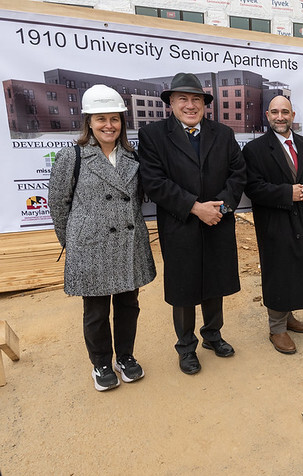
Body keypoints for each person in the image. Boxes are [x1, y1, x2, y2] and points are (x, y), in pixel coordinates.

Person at [49, 85, 156, 391]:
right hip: (90, 246)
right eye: (101, 119)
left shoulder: (133, 157)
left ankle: (125, 357)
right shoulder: (72, 156)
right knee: (96, 311)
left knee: (128, 305)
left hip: (127, 244)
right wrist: (73, 241)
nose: (109, 125)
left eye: (115, 118)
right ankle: (101, 363)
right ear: (89, 122)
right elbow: (58, 203)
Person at [138, 73, 246, 375]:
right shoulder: (153, 136)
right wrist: (195, 208)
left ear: (204, 104)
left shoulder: (223, 134)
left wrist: (220, 207)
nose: (190, 105)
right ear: (171, 103)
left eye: (196, 99)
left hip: (217, 221)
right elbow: (154, 182)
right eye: (183, 99)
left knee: (215, 282)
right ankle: (186, 347)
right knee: (184, 289)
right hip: (180, 224)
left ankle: (212, 335)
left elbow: (238, 174)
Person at [242, 96, 303, 354]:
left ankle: (288, 317)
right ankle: (276, 328)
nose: (280, 117)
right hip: (274, 222)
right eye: (275, 112)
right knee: (278, 270)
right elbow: (253, 188)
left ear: (292, 115)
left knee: (298, 266)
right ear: (267, 115)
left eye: (285, 112)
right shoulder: (254, 150)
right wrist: (288, 193)